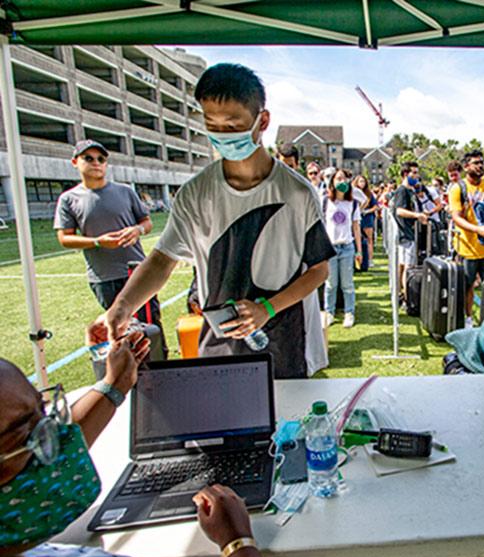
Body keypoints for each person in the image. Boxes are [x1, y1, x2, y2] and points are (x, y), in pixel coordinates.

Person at [0, 334, 302, 557]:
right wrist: (237, 541)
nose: (61, 442)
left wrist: (114, 385)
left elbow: (59, 445)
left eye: (45, 413)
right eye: (28, 434)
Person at [97, 63, 335, 379]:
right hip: (221, 343)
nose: (222, 135)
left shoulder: (297, 192)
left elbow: (319, 269)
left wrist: (267, 308)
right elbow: (160, 261)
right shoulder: (195, 193)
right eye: (212, 124)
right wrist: (122, 306)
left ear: (262, 121)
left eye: (233, 125)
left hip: (286, 343)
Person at [54, 141, 165, 344]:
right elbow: (64, 238)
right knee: (119, 330)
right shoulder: (69, 199)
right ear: (75, 162)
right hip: (103, 276)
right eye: (88, 158)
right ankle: (130, 371)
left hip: (137, 272)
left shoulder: (125, 192)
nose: (96, 163)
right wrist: (97, 242)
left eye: (101, 159)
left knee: (150, 329)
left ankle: (160, 366)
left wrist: (137, 230)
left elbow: (146, 222)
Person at [448, 150, 484, 328]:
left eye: (482, 162)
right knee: (468, 286)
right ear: (466, 167)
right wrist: (477, 230)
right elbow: (456, 217)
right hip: (468, 248)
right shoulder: (458, 188)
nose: (480, 166)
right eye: (476, 163)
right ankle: (468, 319)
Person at [322, 169, 361, 328]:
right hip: (330, 247)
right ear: (332, 182)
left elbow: (356, 227)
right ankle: (329, 312)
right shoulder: (325, 201)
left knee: (347, 284)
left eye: (344, 178)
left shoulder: (353, 203)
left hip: (347, 247)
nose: (341, 181)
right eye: (338, 178)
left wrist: (359, 251)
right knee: (330, 284)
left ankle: (349, 312)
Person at [393, 161, 428, 306]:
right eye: (413, 173)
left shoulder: (411, 191)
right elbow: (399, 211)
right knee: (408, 268)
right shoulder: (402, 191)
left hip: (408, 233)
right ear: (405, 174)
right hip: (405, 234)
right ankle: (408, 299)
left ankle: (401, 295)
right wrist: (416, 215)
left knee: (403, 266)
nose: (416, 176)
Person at [354, 174, 378, 269]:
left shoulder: (369, 194)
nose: (362, 183)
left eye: (363, 181)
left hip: (367, 218)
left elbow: (376, 206)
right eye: (360, 181)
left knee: (369, 239)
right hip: (356, 218)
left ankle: (370, 259)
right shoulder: (353, 193)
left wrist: (367, 211)